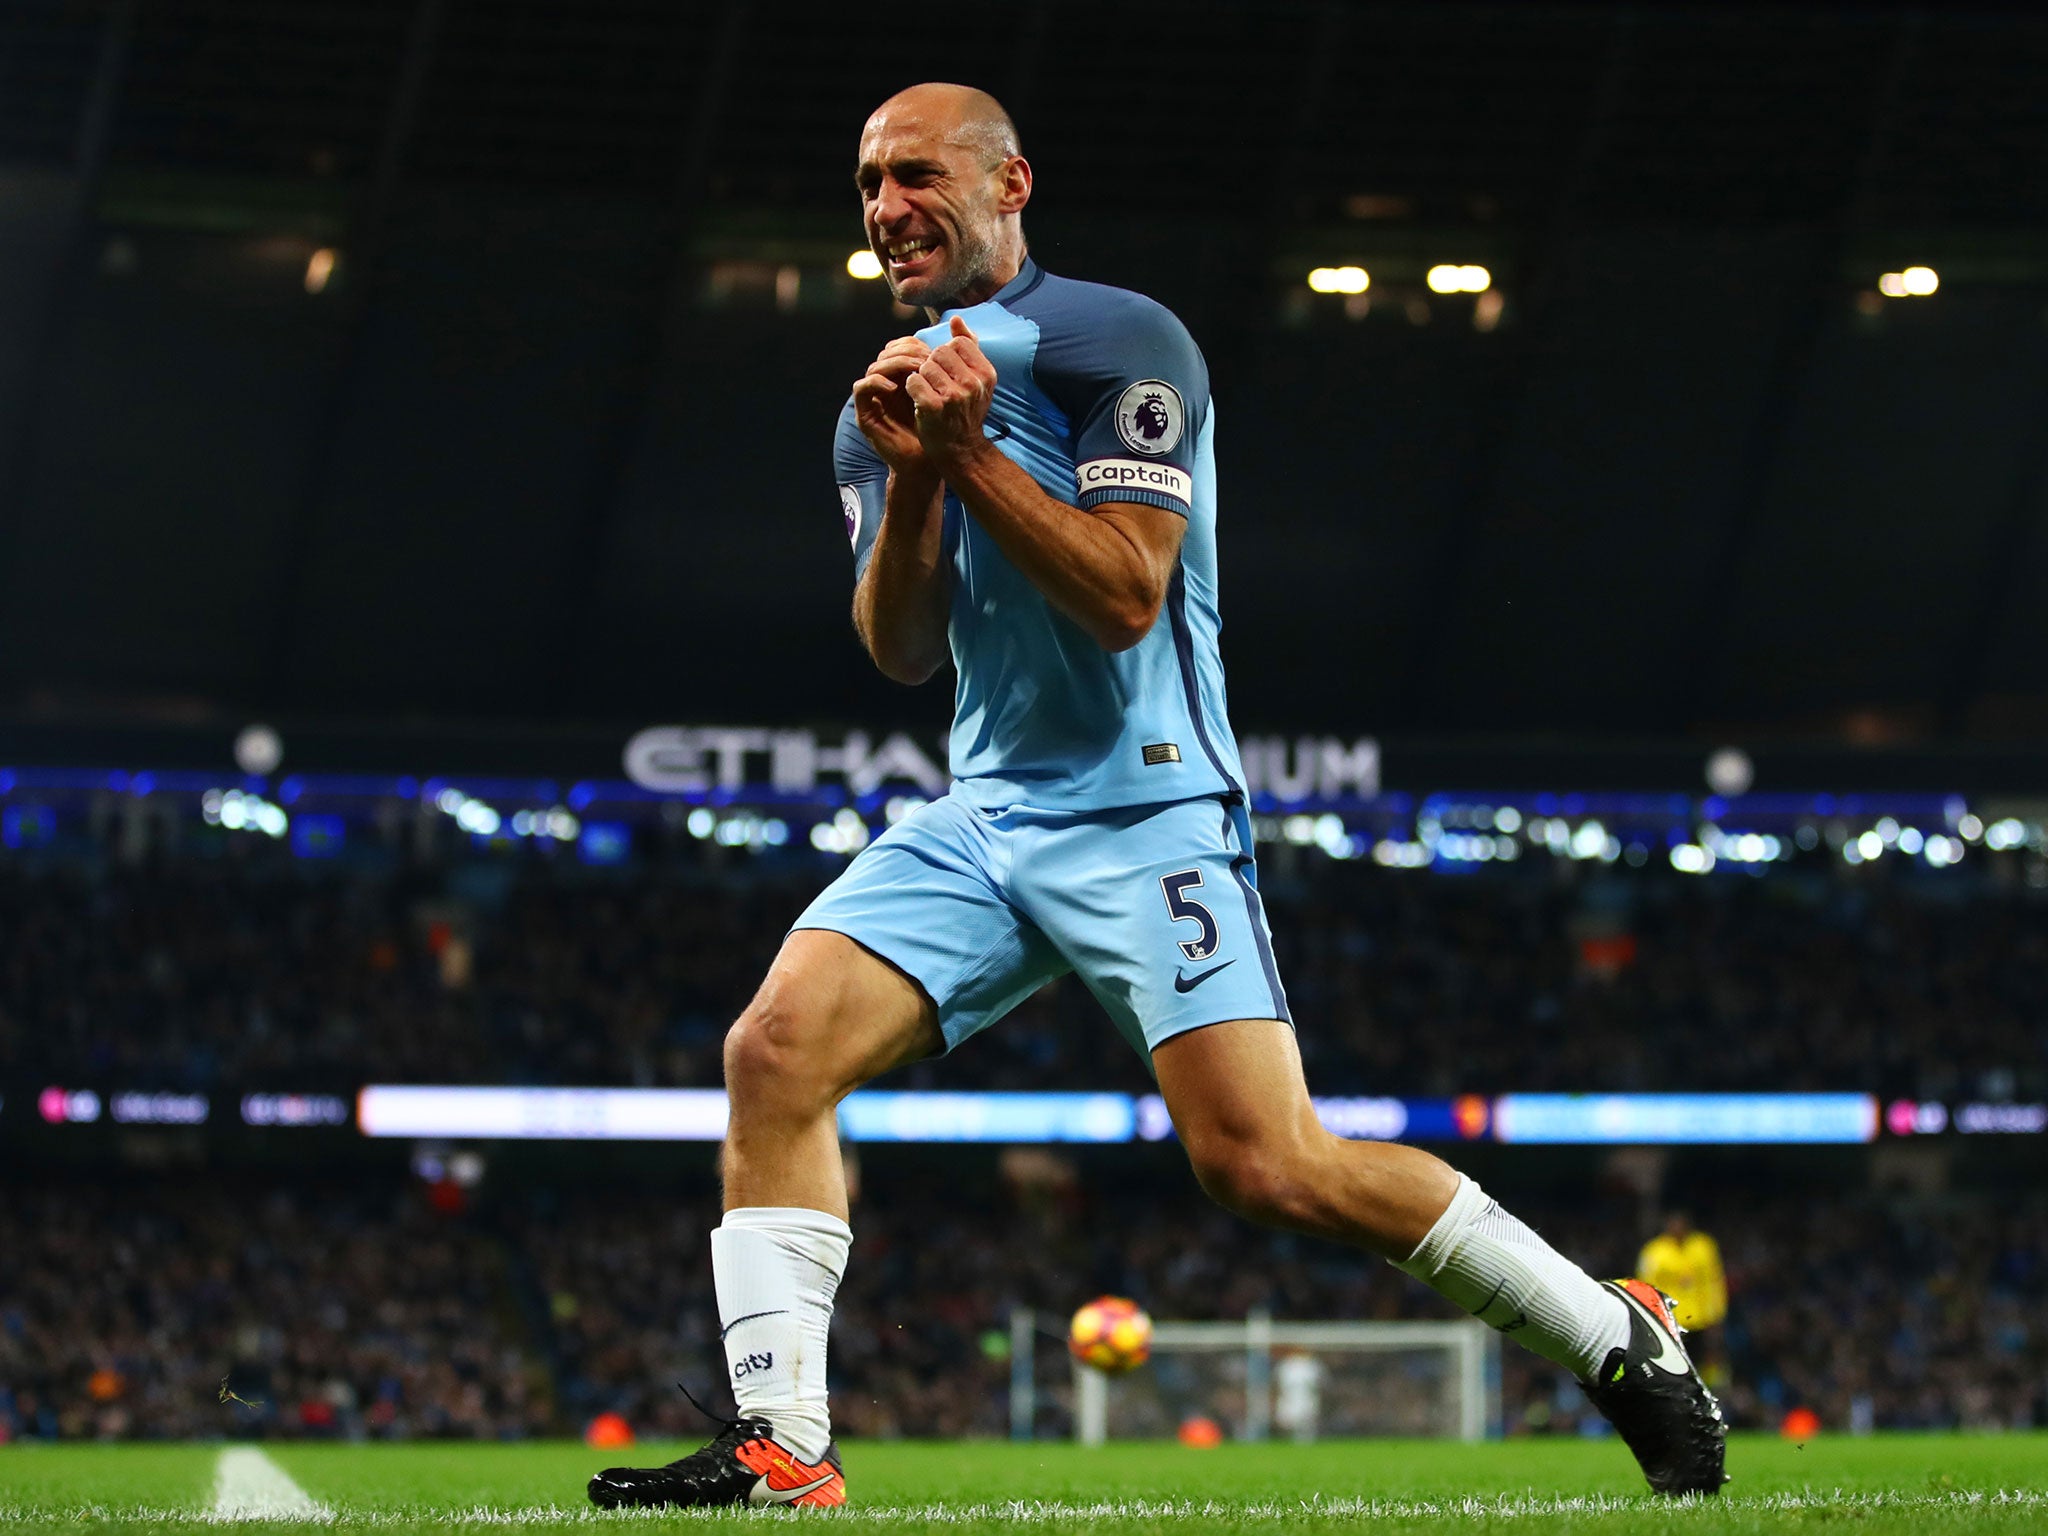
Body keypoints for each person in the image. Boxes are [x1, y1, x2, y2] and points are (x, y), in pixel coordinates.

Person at [587, 82, 1726, 1509]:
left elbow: (1128, 593)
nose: (886, 210)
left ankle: (1618, 1336)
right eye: (870, 182)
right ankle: (783, 1449)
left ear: (1010, 186)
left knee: (1267, 1166)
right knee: (772, 1054)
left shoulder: (1116, 342)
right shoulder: (884, 397)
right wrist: (921, 478)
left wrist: (968, 453)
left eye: (917, 176)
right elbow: (898, 647)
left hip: (1150, 813)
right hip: (987, 816)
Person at [1638, 1211, 1730, 1385]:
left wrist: (1717, 1315)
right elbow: (1646, 1289)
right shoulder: (1654, 1252)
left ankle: (1715, 1395)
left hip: (1703, 1318)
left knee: (1711, 1361)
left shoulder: (1703, 1246)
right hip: (1671, 1321)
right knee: (1677, 1366)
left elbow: (1714, 1281)